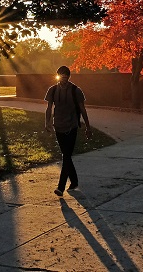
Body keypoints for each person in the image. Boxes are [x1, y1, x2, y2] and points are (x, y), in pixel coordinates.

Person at [45, 65, 93, 197]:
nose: (63, 80)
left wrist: (88, 127)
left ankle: (60, 187)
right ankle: (74, 182)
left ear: (69, 77)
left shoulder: (76, 91)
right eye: (61, 77)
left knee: (66, 155)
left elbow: (83, 109)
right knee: (66, 155)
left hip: (72, 126)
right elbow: (49, 108)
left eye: (66, 77)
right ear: (58, 76)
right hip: (58, 126)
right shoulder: (53, 90)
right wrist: (47, 123)